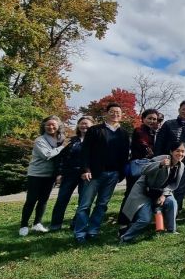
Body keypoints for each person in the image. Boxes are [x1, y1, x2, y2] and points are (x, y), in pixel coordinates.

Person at [75, 103, 130, 243]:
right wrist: (85, 169)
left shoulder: (123, 133)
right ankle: (80, 233)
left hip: (113, 174)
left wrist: (121, 173)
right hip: (94, 173)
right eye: (112, 111)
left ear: (121, 115)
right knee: (85, 204)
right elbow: (85, 151)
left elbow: (124, 155)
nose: (115, 114)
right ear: (106, 113)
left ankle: (93, 230)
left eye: (118, 112)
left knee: (102, 204)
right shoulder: (95, 130)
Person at [119, 141, 185, 242]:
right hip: (145, 191)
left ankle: (171, 231)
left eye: (183, 151)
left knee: (172, 202)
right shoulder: (162, 158)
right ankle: (125, 237)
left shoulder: (181, 166)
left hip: (161, 192)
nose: (180, 154)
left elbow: (172, 185)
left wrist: (164, 195)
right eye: (177, 151)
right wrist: (160, 164)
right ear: (171, 151)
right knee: (145, 219)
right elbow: (143, 169)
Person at [20, 116, 69, 236]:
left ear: (58, 127)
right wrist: (63, 147)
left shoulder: (61, 139)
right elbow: (47, 155)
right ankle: (24, 225)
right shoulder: (40, 140)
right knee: (31, 200)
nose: (51, 127)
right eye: (48, 125)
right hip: (36, 174)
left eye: (53, 125)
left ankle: (37, 224)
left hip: (50, 175)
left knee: (43, 200)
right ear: (43, 126)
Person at [117, 109, 159, 234]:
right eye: (149, 118)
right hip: (138, 167)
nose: (152, 121)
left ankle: (140, 219)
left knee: (146, 194)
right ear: (143, 119)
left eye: (154, 119)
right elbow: (144, 145)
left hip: (149, 167)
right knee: (131, 194)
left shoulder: (154, 132)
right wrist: (152, 152)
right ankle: (123, 222)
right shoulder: (139, 130)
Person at [49, 116, 93, 232]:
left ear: (92, 126)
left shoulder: (96, 141)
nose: (84, 126)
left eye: (87, 124)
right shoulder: (71, 140)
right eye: (82, 123)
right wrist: (59, 173)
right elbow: (62, 158)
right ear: (78, 125)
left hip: (86, 174)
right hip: (69, 173)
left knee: (83, 201)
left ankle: (76, 223)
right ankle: (55, 224)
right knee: (62, 199)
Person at [154, 100, 185, 211]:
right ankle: (160, 209)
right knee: (166, 187)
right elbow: (160, 142)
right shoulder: (168, 124)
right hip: (169, 161)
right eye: (184, 109)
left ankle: (175, 211)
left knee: (181, 188)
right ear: (179, 109)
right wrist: (159, 158)